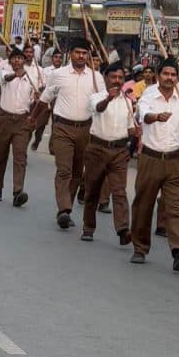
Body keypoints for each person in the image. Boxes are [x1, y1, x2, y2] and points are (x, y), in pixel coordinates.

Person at [129, 59, 179, 269]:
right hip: (151, 157)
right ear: (158, 75)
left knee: (176, 206)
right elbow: (144, 116)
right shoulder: (149, 95)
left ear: (177, 77)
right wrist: (157, 116)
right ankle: (140, 248)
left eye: (173, 74)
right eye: (166, 74)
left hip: (175, 160)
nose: (169, 78)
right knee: (144, 204)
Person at [41, 43, 105, 228]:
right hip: (63, 127)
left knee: (77, 172)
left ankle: (66, 207)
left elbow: (101, 105)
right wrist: (32, 118)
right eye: (78, 52)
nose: (81, 56)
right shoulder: (58, 74)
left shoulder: (96, 78)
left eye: (84, 53)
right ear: (70, 54)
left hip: (85, 129)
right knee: (64, 170)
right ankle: (64, 208)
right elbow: (45, 98)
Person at [79, 65, 134, 244]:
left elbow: (130, 127)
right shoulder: (96, 97)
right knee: (92, 190)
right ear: (105, 78)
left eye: (120, 77)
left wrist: (136, 132)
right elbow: (99, 108)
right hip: (97, 148)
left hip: (119, 151)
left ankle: (123, 229)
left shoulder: (128, 102)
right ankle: (88, 227)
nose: (117, 81)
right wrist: (109, 99)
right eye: (113, 77)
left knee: (119, 192)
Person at [0, 48, 38, 204]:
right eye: (14, 58)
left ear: (24, 60)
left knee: (20, 156)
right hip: (5, 119)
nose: (17, 60)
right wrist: (16, 75)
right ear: (10, 61)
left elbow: (34, 101)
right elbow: (5, 79)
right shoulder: (5, 72)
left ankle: (18, 191)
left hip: (22, 121)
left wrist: (37, 99)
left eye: (20, 58)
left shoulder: (31, 78)